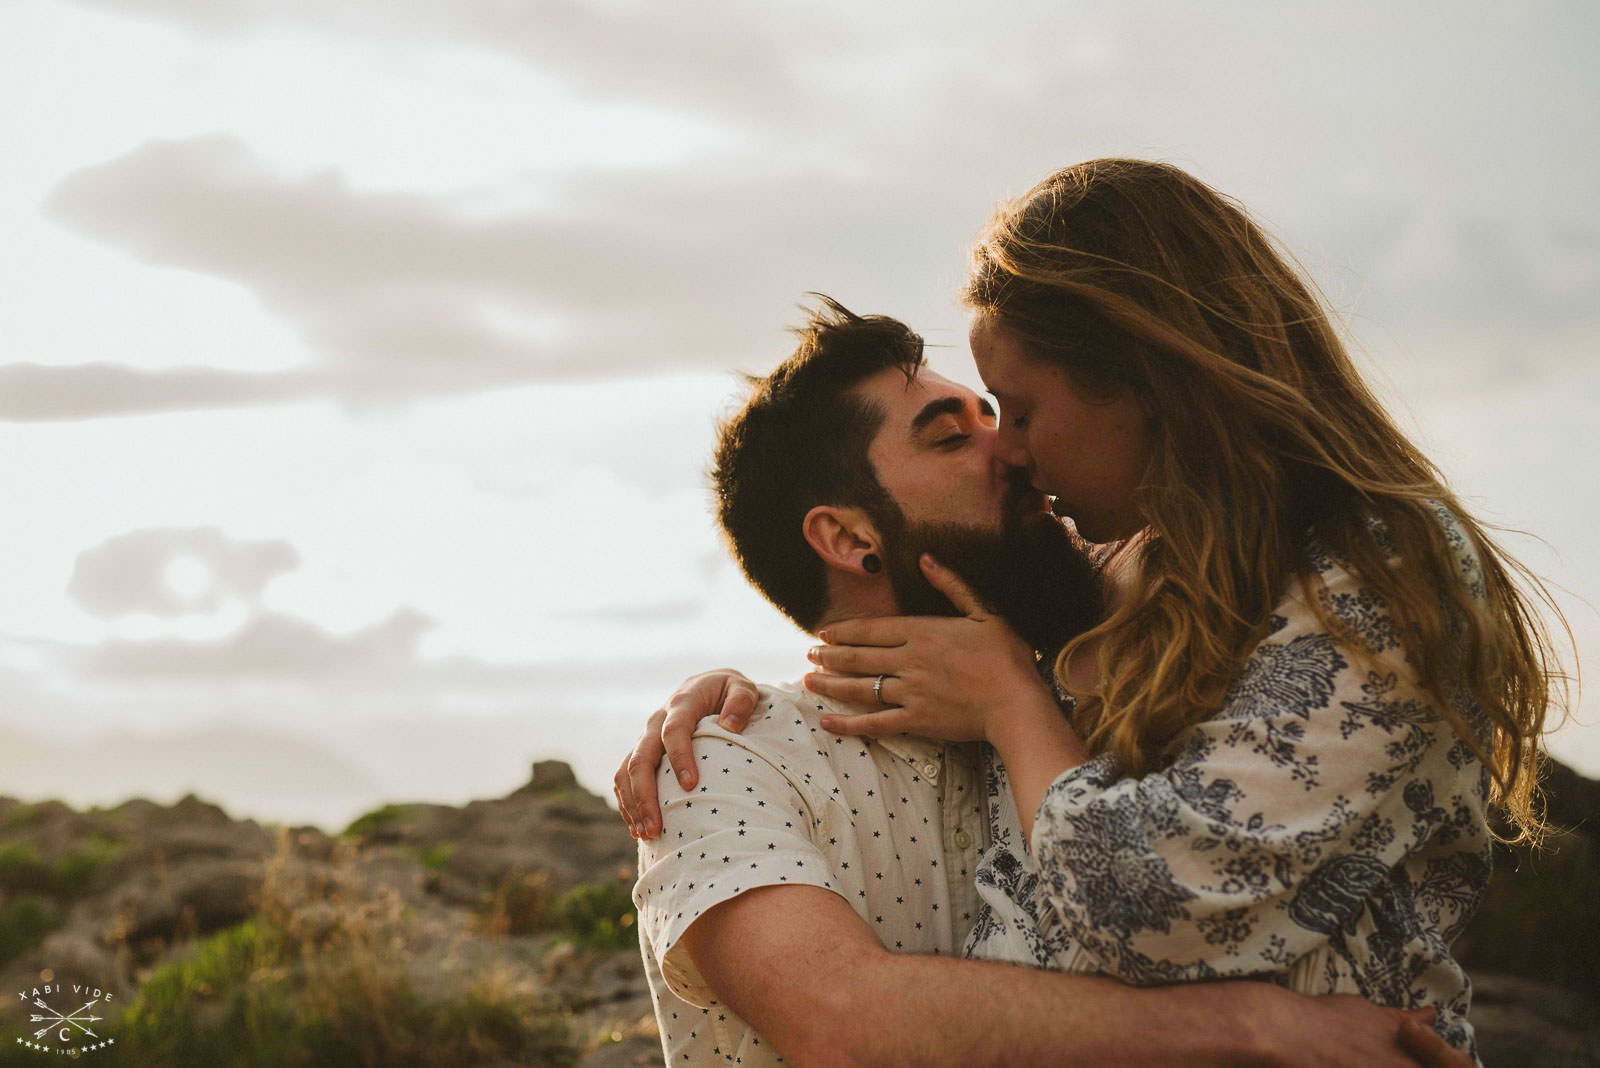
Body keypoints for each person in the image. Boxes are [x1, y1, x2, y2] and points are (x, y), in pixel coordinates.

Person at [620, 161, 1564, 1062]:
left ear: (1146, 381)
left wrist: (1009, 700)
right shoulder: (732, 758)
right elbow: (848, 1028)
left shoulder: (1292, 585)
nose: (1013, 453)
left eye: (1014, 413)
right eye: (965, 430)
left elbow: (1161, 890)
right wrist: (1261, 1029)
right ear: (851, 540)